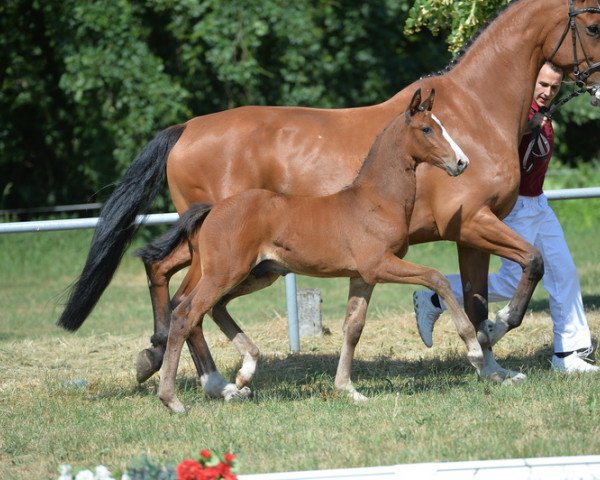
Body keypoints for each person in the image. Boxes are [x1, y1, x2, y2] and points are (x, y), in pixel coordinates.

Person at [413, 62, 598, 373]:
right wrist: (529, 125)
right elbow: (497, 136)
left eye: (553, 88)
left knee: (564, 272)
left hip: (539, 204)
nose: (547, 92)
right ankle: (435, 298)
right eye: (542, 84)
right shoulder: (517, 109)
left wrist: (592, 88)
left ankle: (570, 353)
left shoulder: (543, 110)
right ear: (531, 79)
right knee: (512, 281)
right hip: (516, 207)